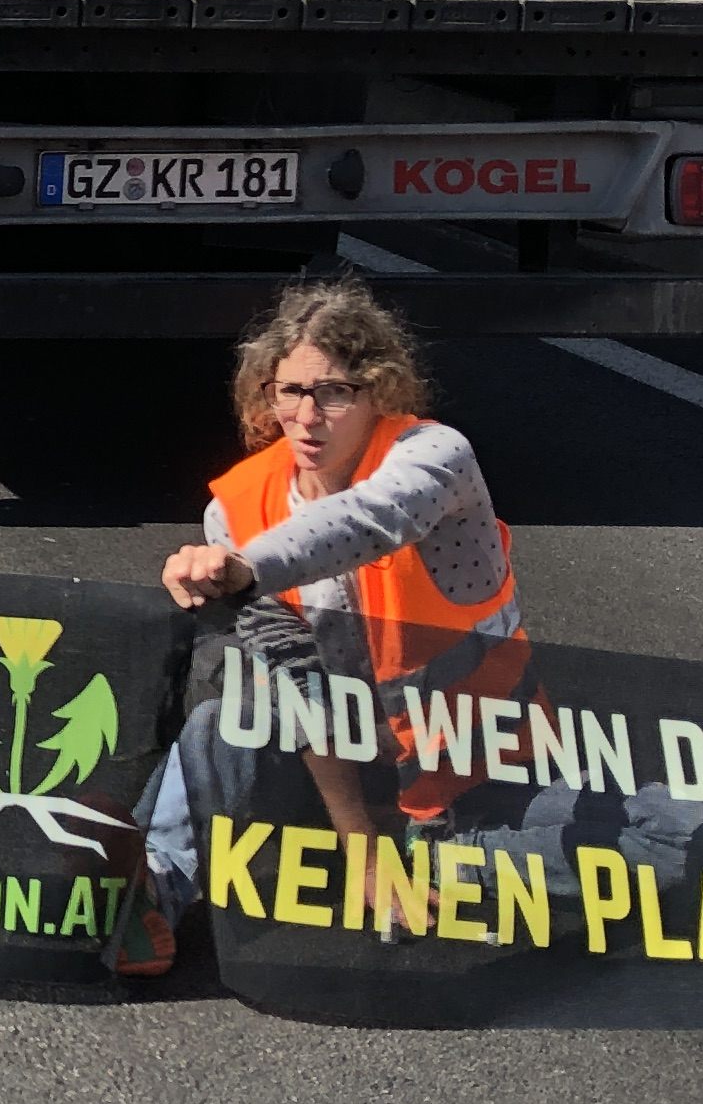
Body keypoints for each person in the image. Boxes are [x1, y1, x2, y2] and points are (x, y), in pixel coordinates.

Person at [148, 277, 524, 934]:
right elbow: (300, 688)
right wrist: (363, 847)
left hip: (480, 771)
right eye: (289, 391)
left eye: (333, 393)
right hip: (343, 767)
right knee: (219, 724)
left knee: (683, 845)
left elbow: (374, 518)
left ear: (378, 393)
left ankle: (447, 865)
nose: (307, 417)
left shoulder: (436, 456)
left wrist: (246, 570)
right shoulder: (234, 511)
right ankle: (145, 900)